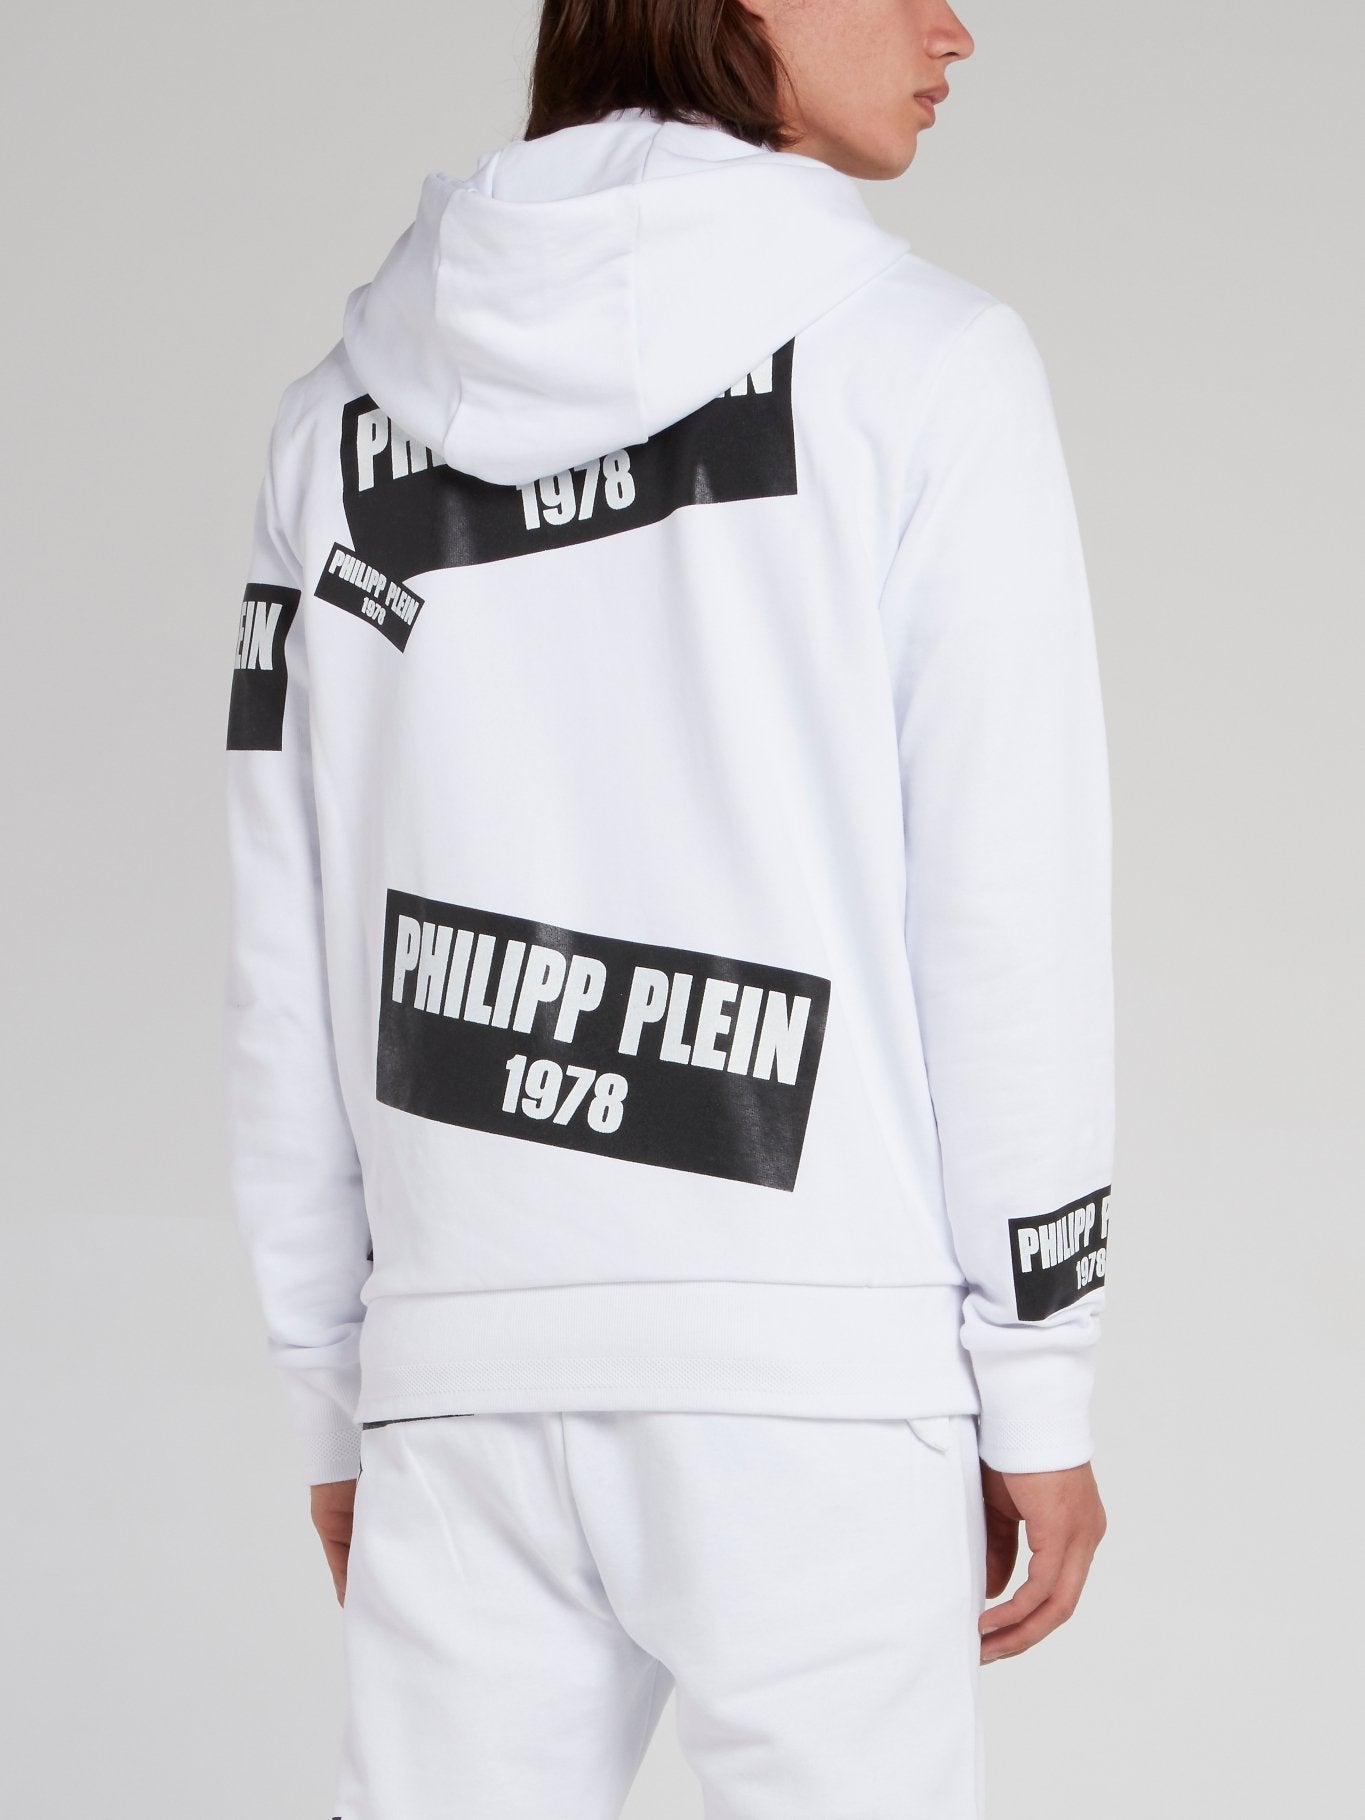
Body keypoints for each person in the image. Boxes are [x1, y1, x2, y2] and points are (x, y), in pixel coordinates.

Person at [222, 1, 1116, 1814]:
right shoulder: (925, 363)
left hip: (458, 1374)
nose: (950, 27)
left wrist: (337, 1380)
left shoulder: (329, 431)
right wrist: (1037, 1369)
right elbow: (1003, 898)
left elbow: (280, 945)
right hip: (813, 1374)